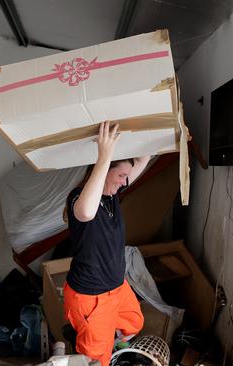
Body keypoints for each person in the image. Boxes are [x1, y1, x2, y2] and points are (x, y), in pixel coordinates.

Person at [63, 121, 151, 366]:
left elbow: (142, 160)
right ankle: (91, 338)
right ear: (104, 170)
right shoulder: (80, 199)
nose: (125, 182)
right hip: (91, 297)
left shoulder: (112, 196)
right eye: (121, 175)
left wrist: (155, 130)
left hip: (117, 287)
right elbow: (86, 213)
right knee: (95, 360)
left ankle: (99, 337)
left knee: (134, 322)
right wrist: (104, 155)